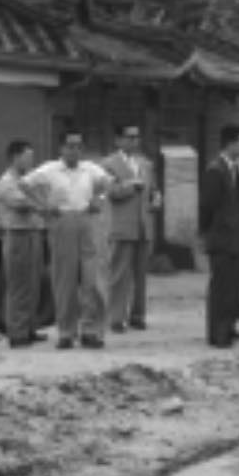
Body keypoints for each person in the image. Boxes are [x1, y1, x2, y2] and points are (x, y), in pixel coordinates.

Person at [26, 131, 112, 349]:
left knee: (90, 279)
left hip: (86, 220)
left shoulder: (90, 169)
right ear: (61, 149)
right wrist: (43, 206)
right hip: (62, 221)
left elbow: (108, 183)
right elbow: (25, 185)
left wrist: (99, 199)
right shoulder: (49, 170)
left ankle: (90, 330)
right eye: (70, 146)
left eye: (79, 146)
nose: (75, 151)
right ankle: (66, 332)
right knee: (65, 281)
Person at [0, 138, 50, 347]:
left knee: (35, 283)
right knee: (19, 285)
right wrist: (41, 202)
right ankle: (17, 333)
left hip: (33, 234)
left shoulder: (28, 180)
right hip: (18, 235)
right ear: (15, 157)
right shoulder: (7, 182)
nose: (31, 161)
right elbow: (24, 204)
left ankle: (29, 328)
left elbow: (42, 195)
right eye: (27, 157)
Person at [100, 125, 156, 334]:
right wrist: (131, 186)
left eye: (137, 136)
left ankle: (138, 315)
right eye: (129, 137)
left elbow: (152, 191)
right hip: (121, 225)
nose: (134, 141)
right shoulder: (108, 164)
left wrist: (155, 199)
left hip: (143, 225)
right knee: (119, 273)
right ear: (118, 140)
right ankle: (116, 317)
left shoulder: (145, 164)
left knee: (140, 274)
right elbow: (111, 192)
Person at [201, 124, 239, 348]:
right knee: (221, 287)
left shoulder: (233, 168)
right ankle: (217, 333)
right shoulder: (216, 169)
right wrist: (211, 234)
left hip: (235, 238)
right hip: (222, 238)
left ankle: (228, 327)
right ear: (231, 143)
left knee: (233, 286)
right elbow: (208, 206)